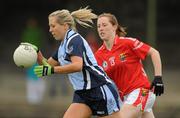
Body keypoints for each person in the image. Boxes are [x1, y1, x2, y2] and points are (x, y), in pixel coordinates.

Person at [24, 7, 122, 118]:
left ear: (65, 26)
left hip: (99, 89)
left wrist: (52, 70)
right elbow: (47, 65)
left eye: (53, 26)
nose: (50, 30)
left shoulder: (74, 40)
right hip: (82, 94)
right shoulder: (62, 46)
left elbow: (77, 66)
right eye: (49, 26)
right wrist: (37, 53)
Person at [95, 13, 164, 118]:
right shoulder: (98, 55)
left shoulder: (127, 43)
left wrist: (158, 78)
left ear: (114, 26)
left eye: (104, 25)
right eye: (98, 26)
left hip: (141, 91)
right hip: (124, 98)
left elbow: (154, 53)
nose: (101, 29)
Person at [21, 17, 46, 105]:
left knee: (39, 76)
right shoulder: (26, 31)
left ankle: (38, 97)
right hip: (28, 55)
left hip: (36, 55)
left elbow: (41, 42)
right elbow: (23, 43)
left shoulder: (38, 31)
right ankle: (31, 98)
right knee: (30, 77)